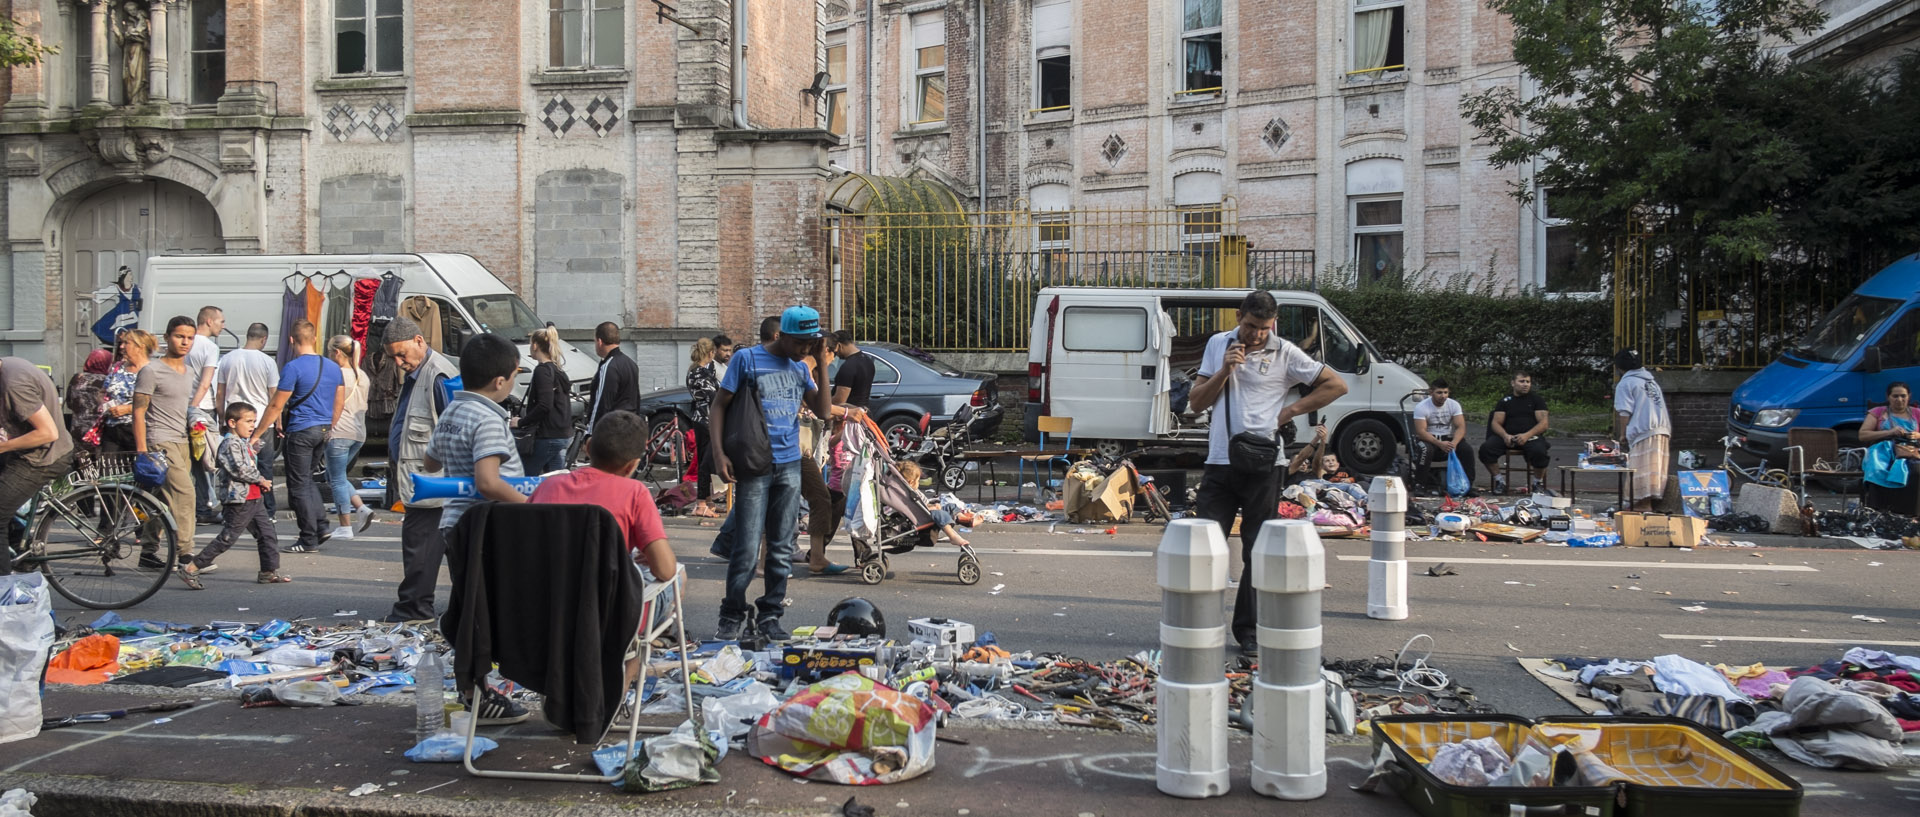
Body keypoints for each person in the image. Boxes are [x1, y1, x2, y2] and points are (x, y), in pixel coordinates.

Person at [1185, 290, 1347, 658]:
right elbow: (1196, 402)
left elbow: (1336, 384)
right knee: (1203, 548)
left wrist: (1291, 411)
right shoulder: (1218, 344)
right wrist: (1225, 370)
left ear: (1273, 323)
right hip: (1221, 461)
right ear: (1239, 316)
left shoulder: (1286, 352)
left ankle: (1249, 632)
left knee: (1257, 552)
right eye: (1250, 326)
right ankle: (1197, 625)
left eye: (1264, 328)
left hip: (1265, 466)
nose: (1256, 335)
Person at [708, 305, 834, 642]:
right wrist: (719, 454)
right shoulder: (747, 360)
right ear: (783, 335)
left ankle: (770, 615)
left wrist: (820, 363)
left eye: (811, 343)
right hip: (754, 464)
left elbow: (823, 411)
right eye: (800, 343)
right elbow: (718, 405)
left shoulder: (801, 366)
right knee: (747, 548)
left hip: (790, 463)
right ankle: (731, 614)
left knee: (780, 546)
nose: (805, 349)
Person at [529, 410, 676, 582]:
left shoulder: (548, 487)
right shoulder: (635, 493)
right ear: (632, 466)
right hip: (608, 603)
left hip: (547, 599)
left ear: (588, 447)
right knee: (678, 577)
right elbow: (665, 570)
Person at [381, 316, 460, 624]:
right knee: (446, 550)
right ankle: (463, 608)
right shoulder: (420, 374)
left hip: (435, 485)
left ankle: (415, 608)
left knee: (421, 549)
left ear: (419, 341)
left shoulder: (438, 376)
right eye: (394, 357)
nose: (399, 362)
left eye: (402, 354)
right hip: (429, 483)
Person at [424, 332, 528, 550]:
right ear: (499, 382)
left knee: (465, 584)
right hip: (487, 524)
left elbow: (430, 463)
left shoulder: (452, 411)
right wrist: (530, 506)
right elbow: (488, 482)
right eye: (513, 377)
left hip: (454, 521)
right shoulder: (487, 419)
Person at [252, 320, 344, 554]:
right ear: (315, 338)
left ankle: (308, 538)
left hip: (301, 431)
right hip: (323, 430)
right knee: (308, 479)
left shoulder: (293, 368)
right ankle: (321, 525)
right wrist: (329, 426)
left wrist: (257, 434)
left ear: (291, 340)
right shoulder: (333, 367)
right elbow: (339, 401)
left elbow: (276, 405)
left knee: (298, 486)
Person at [177, 402, 285, 589]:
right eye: (248, 421)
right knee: (227, 538)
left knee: (267, 534)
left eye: (254, 421)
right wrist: (261, 479)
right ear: (232, 423)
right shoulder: (229, 443)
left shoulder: (241, 442)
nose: (252, 425)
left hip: (253, 497)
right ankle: (191, 567)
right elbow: (239, 470)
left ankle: (268, 571)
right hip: (238, 500)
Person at [135, 317, 200, 562]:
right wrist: (143, 450)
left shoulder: (189, 371)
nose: (184, 342)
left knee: (161, 498)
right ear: (167, 337)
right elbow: (138, 410)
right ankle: (186, 555)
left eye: (189, 338)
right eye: (179, 336)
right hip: (159, 441)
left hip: (183, 441)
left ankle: (148, 552)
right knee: (186, 494)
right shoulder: (151, 370)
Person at [0, 354, 77, 552]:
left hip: (43, 457)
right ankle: (19, 549)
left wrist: (4, 446)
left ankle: (5, 580)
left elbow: (47, 433)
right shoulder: (8, 366)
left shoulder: (13, 384)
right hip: (30, 452)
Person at [214, 323, 280, 514]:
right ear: (264, 339)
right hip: (261, 421)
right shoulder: (268, 361)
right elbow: (274, 395)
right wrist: (278, 421)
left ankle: (235, 506)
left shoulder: (227, 358)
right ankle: (267, 509)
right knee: (264, 466)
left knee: (233, 465)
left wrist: (221, 418)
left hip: (234, 419)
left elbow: (220, 392)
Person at [324, 335, 376, 540]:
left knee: (336, 479)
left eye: (329, 352)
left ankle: (345, 526)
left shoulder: (337, 375)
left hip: (339, 432)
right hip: (358, 433)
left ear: (337, 353)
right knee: (336, 476)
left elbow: (331, 403)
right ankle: (361, 508)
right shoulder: (362, 375)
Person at [1612, 348, 1671, 511]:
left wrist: (1622, 434)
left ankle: (1641, 507)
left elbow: (1624, 411)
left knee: (1640, 471)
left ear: (1619, 367)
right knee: (1654, 470)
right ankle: (1647, 505)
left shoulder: (1626, 383)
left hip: (1643, 430)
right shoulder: (1650, 381)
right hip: (1661, 428)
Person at [1478, 371, 1551, 495]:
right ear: (1513, 383)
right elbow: (1495, 423)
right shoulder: (1505, 401)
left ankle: (1537, 483)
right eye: (1521, 381)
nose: (1525, 384)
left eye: (1528, 382)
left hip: (1530, 436)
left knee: (1540, 452)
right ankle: (1500, 482)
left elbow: (1543, 424)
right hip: (1508, 437)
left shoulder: (1537, 400)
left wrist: (1526, 435)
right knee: (1486, 449)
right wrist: (1505, 435)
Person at [186, 306, 225, 524]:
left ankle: (198, 505)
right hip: (202, 408)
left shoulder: (187, 343)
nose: (223, 325)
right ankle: (205, 507)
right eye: (221, 321)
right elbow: (205, 383)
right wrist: (195, 407)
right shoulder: (209, 347)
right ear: (209, 321)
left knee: (192, 460)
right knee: (206, 459)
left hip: (184, 406)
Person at [518, 326, 573, 475]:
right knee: (555, 482)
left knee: (526, 477)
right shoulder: (557, 369)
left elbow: (544, 405)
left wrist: (521, 422)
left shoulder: (542, 370)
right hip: (562, 433)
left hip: (547, 434)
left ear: (535, 345)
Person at [1860, 382, 1920, 508]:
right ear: (1888, 397)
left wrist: (1917, 435)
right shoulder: (1878, 412)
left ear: (1909, 396)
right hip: (1883, 451)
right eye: (1895, 396)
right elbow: (1863, 435)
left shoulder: (1916, 413)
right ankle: (1878, 510)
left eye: (1903, 396)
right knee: (1877, 469)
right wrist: (1889, 432)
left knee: (1915, 471)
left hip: (1910, 450)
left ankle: (1910, 512)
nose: (1899, 400)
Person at [1410, 379, 1474, 491]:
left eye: (1446, 392)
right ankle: (1420, 484)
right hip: (1430, 439)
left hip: (1448, 439)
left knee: (1466, 450)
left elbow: (1461, 427)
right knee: (1425, 450)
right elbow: (1421, 432)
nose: (1443, 396)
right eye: (1439, 392)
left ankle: (1468, 485)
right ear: (1431, 392)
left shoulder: (1454, 405)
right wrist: (1439, 444)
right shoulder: (1422, 407)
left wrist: (1454, 443)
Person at [585, 321, 639, 443]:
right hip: (629, 428)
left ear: (599, 341)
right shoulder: (631, 364)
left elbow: (601, 403)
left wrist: (590, 434)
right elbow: (636, 399)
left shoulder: (608, 367)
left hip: (612, 432)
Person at [686, 337, 722, 517]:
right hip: (706, 421)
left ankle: (707, 501)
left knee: (704, 461)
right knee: (706, 462)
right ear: (710, 353)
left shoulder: (694, 371)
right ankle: (701, 504)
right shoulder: (700, 373)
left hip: (701, 419)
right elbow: (714, 397)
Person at [100, 330, 153, 454]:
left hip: (138, 431)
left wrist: (128, 409)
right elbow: (103, 391)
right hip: (112, 430)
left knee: (138, 470)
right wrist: (106, 405)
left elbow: (158, 402)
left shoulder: (152, 371)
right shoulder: (117, 367)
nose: (121, 347)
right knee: (109, 471)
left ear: (140, 347)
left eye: (126, 343)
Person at [896, 461, 970, 547]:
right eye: (918, 481)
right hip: (922, 516)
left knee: (950, 506)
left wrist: (932, 506)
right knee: (941, 514)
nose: (918, 483)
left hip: (927, 510)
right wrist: (932, 508)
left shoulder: (914, 492)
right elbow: (915, 509)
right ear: (911, 482)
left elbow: (925, 504)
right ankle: (952, 536)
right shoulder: (908, 495)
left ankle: (962, 518)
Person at [66, 349, 114, 450]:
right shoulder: (109, 381)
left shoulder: (77, 378)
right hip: (98, 433)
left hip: (78, 431)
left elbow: (69, 404)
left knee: (80, 463)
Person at [830, 330, 876, 409]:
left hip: (849, 415)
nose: (835, 354)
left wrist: (822, 404)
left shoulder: (848, 366)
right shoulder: (868, 361)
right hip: (863, 412)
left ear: (839, 345)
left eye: (834, 350)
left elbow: (840, 400)